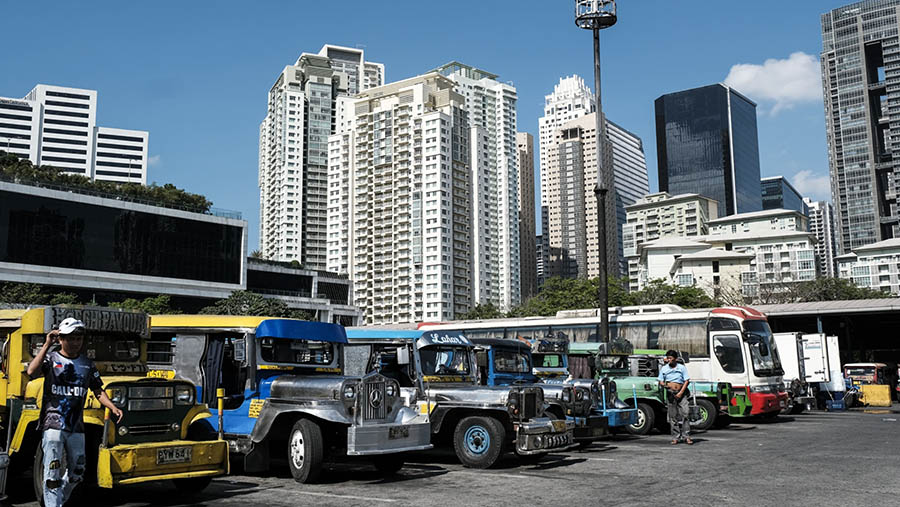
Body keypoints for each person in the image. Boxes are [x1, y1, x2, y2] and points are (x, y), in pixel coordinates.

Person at [26, 317, 123, 507]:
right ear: (60, 339)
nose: (75, 342)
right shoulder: (52, 359)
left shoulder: (87, 364)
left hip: (76, 426)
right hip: (53, 423)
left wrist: (112, 406)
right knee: (52, 470)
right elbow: (32, 371)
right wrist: (47, 344)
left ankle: (58, 499)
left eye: (78, 338)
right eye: (70, 338)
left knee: (78, 472)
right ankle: (53, 504)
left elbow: (97, 390)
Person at [657, 349, 692, 445]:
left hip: (681, 393)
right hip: (671, 393)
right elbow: (660, 380)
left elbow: (686, 381)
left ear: (675, 359)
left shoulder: (681, 368)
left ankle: (686, 436)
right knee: (673, 416)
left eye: (671, 358)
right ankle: (675, 437)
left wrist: (681, 392)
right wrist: (664, 385)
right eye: (667, 358)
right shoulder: (664, 369)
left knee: (686, 413)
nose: (669, 360)